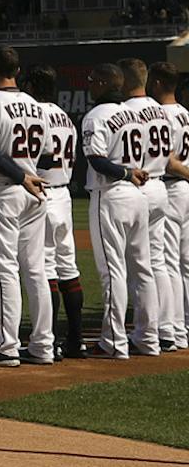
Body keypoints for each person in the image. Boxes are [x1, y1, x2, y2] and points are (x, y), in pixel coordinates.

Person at [0, 46, 51, 364]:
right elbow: (45, 152)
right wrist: (27, 173)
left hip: (4, 190)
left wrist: (19, 175)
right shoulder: (35, 106)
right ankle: (43, 345)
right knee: (36, 270)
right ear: (17, 71)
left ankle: (6, 345)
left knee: (5, 270)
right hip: (34, 190)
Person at [81, 62, 154, 359]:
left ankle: (113, 341)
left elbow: (97, 161)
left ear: (101, 83)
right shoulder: (135, 116)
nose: (88, 84)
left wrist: (123, 174)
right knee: (143, 269)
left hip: (111, 194)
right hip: (139, 195)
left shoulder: (96, 115)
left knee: (113, 271)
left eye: (91, 79)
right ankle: (149, 338)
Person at [22, 66, 83, 361]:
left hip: (42, 192)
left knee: (46, 269)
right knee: (67, 266)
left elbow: (41, 155)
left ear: (32, 85)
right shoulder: (65, 116)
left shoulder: (33, 113)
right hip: (64, 194)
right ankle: (76, 339)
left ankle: (51, 341)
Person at [152, 65, 189, 351]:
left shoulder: (161, 115)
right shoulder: (186, 114)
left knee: (168, 262)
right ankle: (183, 325)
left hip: (172, 187)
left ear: (158, 82)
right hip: (184, 190)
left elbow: (169, 162)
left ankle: (174, 329)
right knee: (185, 263)